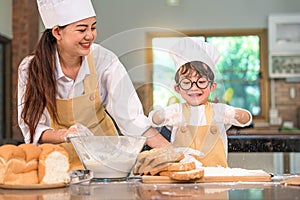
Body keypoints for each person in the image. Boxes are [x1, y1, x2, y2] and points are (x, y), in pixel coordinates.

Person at [17, 0, 169, 149]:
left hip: (104, 156)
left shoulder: (104, 60)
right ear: (57, 32)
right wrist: (66, 135)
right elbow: (33, 128)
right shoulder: (30, 68)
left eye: (93, 27)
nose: (90, 35)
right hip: (58, 160)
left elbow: (132, 119)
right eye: (82, 30)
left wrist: (174, 153)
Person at [148, 37, 252, 167]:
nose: (194, 87)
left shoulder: (219, 111)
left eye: (201, 82)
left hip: (216, 176)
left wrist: (238, 114)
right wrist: (159, 116)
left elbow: (246, 119)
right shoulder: (176, 112)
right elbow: (153, 119)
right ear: (177, 88)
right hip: (183, 174)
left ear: (212, 86)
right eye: (186, 83)